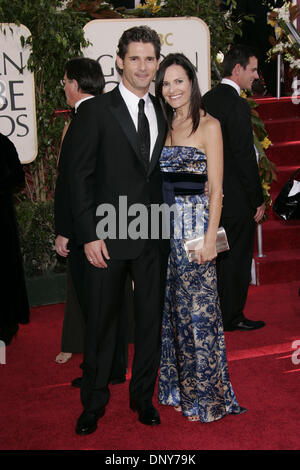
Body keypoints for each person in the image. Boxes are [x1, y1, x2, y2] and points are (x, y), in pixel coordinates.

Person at [63, 26, 168, 436]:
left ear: (157, 63)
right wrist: (88, 234)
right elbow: (79, 178)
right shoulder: (95, 111)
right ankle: (93, 402)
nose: (142, 66)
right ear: (119, 61)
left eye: (149, 59)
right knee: (102, 325)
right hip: (106, 236)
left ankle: (143, 398)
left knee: (149, 324)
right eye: (135, 58)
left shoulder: (163, 108)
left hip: (153, 235)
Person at [155, 53, 246, 422]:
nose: (172, 89)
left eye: (179, 81)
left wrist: (210, 240)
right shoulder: (163, 123)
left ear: (192, 82)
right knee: (174, 315)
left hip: (195, 229)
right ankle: (180, 389)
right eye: (166, 83)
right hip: (163, 230)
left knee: (201, 316)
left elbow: (217, 189)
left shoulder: (210, 125)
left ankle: (207, 399)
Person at [54, 57, 129, 382]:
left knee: (95, 307)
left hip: (90, 233)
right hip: (114, 226)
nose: (64, 88)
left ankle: (98, 371)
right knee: (113, 305)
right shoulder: (110, 114)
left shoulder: (84, 119)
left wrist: (66, 232)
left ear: (74, 83)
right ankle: (112, 369)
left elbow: (73, 183)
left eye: (65, 81)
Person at [202, 45, 266, 331]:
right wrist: (258, 199)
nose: (255, 75)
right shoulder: (237, 105)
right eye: (252, 69)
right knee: (237, 260)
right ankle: (232, 317)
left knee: (216, 260)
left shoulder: (206, 99)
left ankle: (214, 314)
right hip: (238, 201)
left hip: (211, 198)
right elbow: (243, 157)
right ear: (237, 69)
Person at [0, 133, 30, 345]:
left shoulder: (3, 143)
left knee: (5, 270)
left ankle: (7, 325)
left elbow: (18, 177)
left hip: (2, 220)